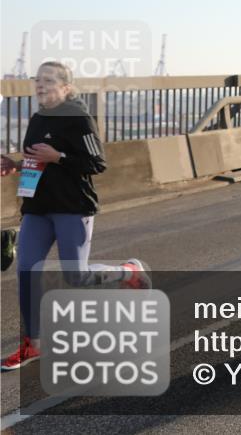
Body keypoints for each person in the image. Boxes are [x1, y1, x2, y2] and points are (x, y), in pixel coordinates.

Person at [1, 62, 150, 372]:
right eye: (37, 80)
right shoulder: (38, 118)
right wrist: (15, 163)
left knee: (76, 277)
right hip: (38, 208)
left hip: (72, 206)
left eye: (48, 81)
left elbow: (97, 162)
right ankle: (32, 344)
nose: (40, 86)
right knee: (27, 271)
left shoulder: (79, 118)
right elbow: (35, 158)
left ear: (66, 87)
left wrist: (58, 157)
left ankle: (128, 273)